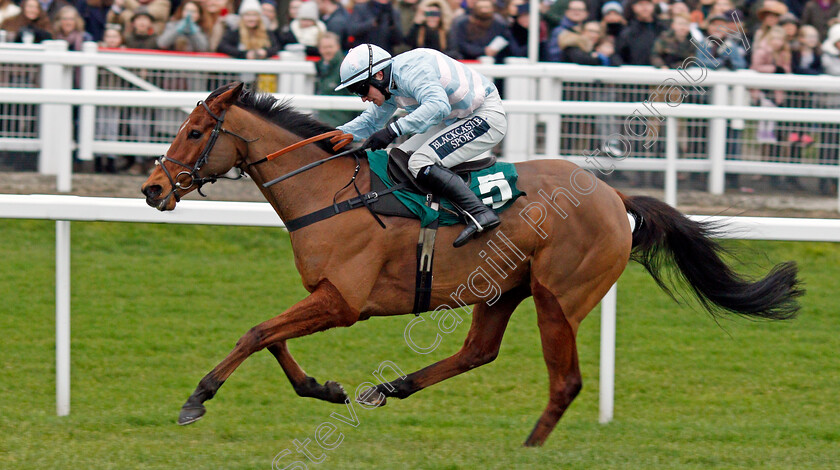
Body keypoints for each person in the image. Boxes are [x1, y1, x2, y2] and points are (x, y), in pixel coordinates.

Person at [335, 44, 505, 247]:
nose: (362, 98)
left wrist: (392, 131)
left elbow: (438, 105)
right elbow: (371, 122)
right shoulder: (390, 84)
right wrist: (331, 135)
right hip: (455, 117)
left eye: (360, 88)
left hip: (484, 116)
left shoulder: (410, 70)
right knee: (400, 156)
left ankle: (480, 212)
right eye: (355, 91)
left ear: (378, 75)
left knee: (419, 161)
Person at [314, 32, 358, 126]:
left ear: (338, 46)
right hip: (322, 122)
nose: (327, 51)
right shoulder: (319, 66)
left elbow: (358, 98)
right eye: (324, 47)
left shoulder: (346, 68)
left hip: (340, 125)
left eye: (330, 47)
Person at [447, 0, 511, 61]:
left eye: (487, 7)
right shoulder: (463, 23)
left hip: (495, 61)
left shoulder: (499, 23)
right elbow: (460, 44)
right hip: (469, 60)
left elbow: (506, 39)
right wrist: (483, 51)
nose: (484, 10)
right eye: (481, 7)